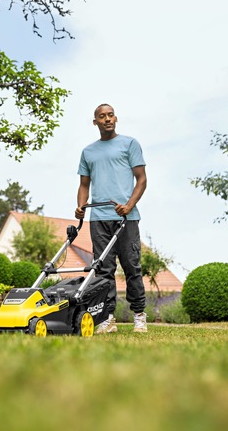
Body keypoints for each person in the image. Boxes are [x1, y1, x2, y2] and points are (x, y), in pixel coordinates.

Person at [75, 103, 148, 333]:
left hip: (126, 217)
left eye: (110, 115)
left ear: (116, 118)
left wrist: (129, 206)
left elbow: (142, 179)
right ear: (94, 122)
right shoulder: (88, 152)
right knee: (103, 271)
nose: (107, 119)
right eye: (101, 116)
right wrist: (80, 206)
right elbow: (84, 185)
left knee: (131, 267)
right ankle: (107, 319)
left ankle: (139, 316)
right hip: (99, 218)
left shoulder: (129, 144)